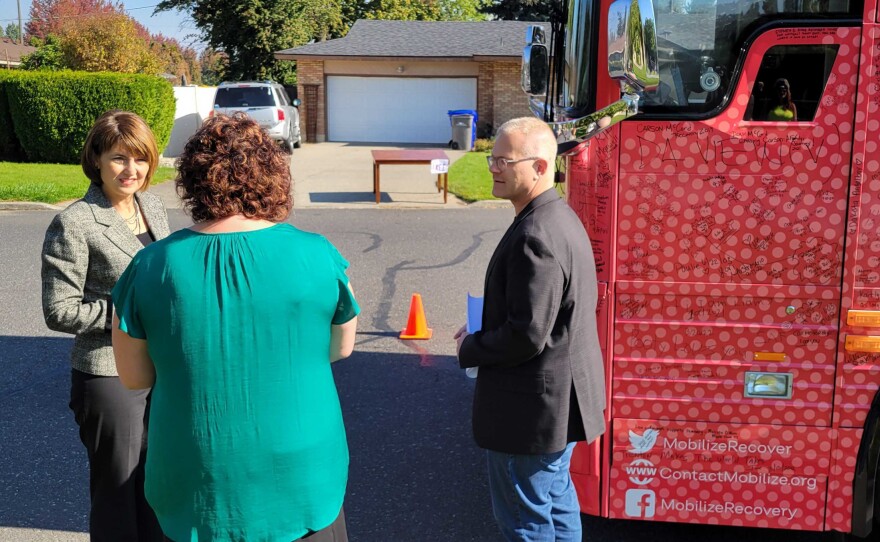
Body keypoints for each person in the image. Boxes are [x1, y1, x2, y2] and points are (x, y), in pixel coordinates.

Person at [110, 113, 359, 542]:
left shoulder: (149, 266)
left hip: (198, 473)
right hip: (302, 471)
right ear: (273, 176)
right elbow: (341, 347)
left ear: (193, 180)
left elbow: (135, 377)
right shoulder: (318, 254)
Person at [454, 117, 606, 542]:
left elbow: (527, 335)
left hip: (531, 414)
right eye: (492, 158)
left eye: (504, 160)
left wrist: (473, 344)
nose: (493, 168)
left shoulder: (533, 236)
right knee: (556, 505)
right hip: (561, 401)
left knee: (525, 521)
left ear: (540, 167)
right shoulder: (560, 216)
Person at [41, 110, 169, 541]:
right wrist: (127, 313)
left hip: (160, 370)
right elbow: (59, 309)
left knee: (158, 486)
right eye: (119, 158)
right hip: (109, 376)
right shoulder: (74, 221)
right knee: (118, 494)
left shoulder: (152, 206)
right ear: (96, 159)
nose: (131, 170)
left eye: (141, 159)